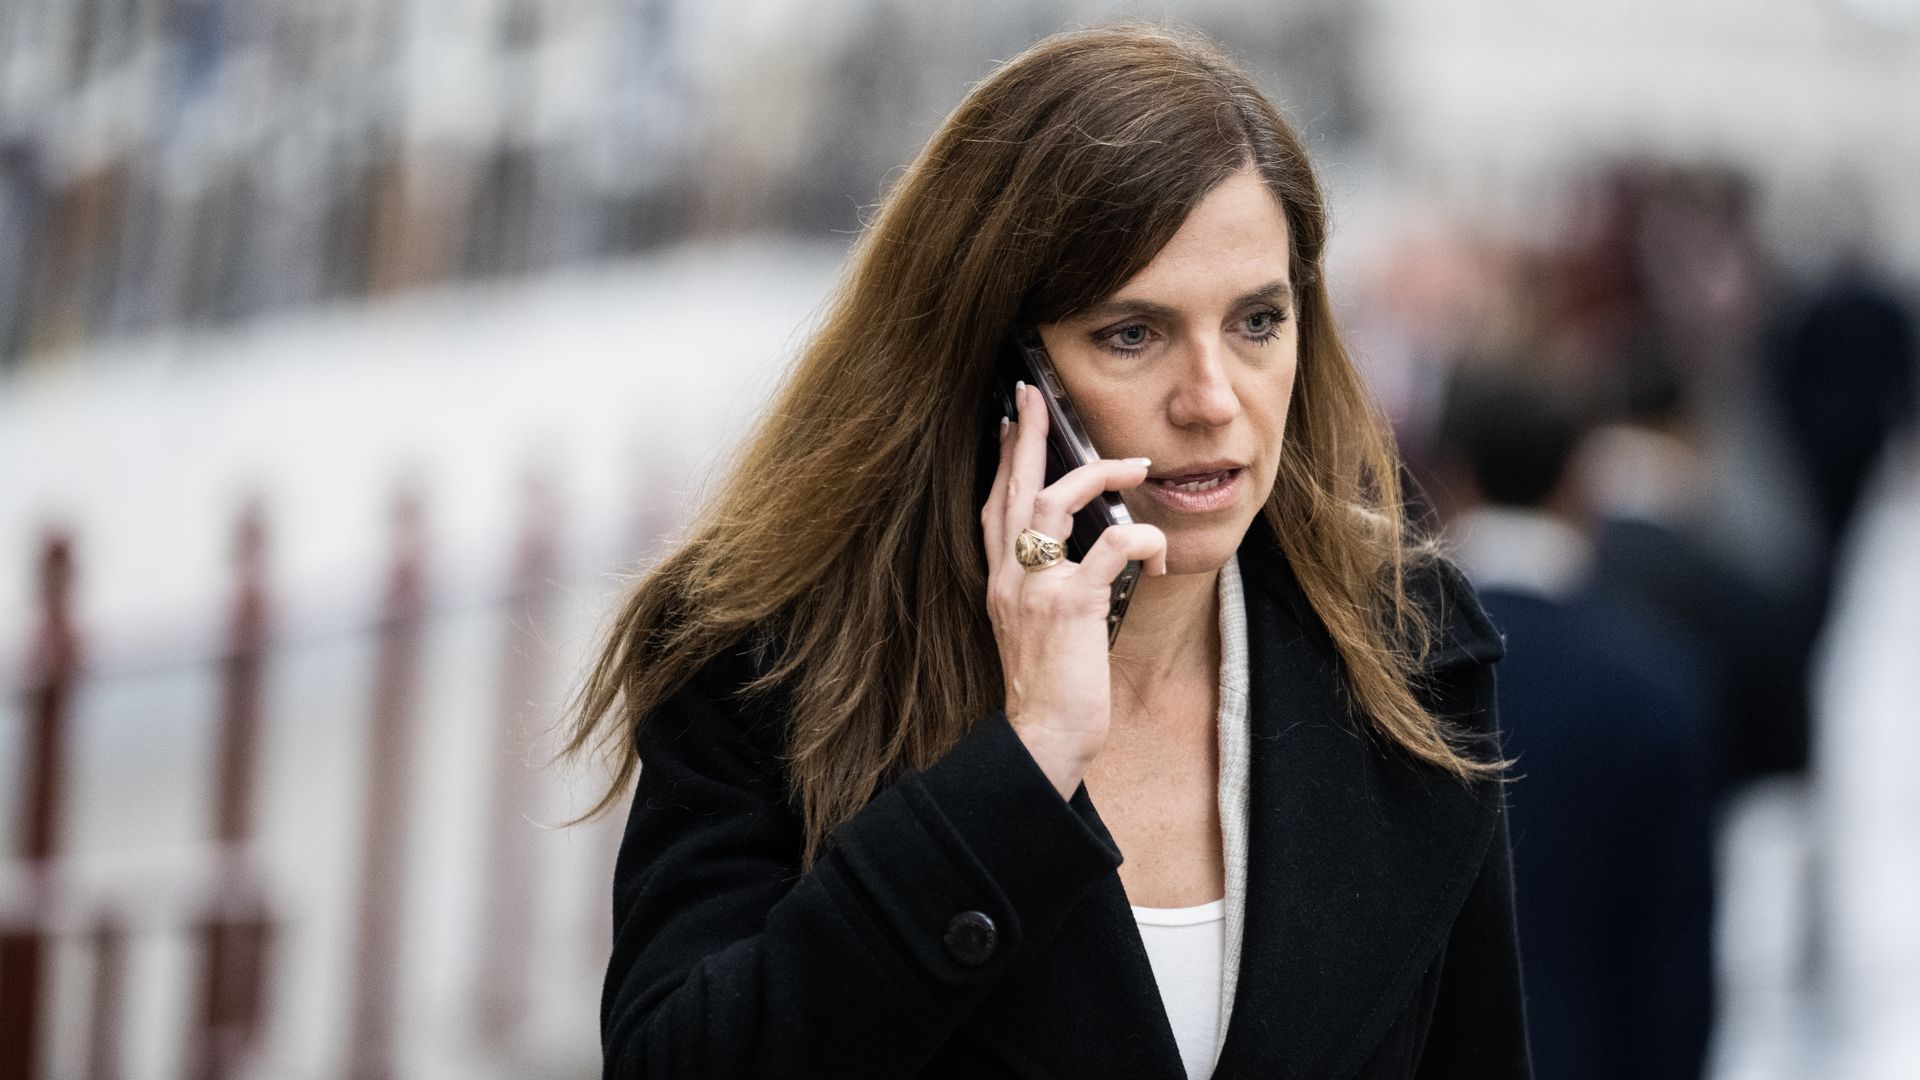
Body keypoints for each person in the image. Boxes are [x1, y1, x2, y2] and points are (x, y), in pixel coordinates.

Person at [568, 24, 1530, 1079]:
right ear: (992, 369)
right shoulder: (772, 661)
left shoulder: (1402, 643)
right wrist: (1017, 771)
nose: (1213, 401)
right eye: (1132, 333)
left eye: (1258, 321)